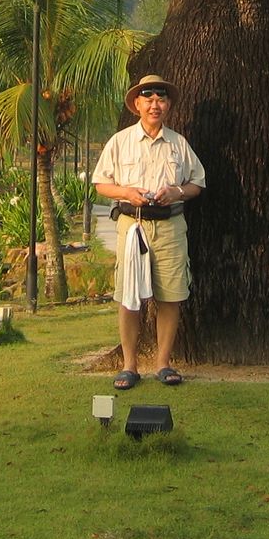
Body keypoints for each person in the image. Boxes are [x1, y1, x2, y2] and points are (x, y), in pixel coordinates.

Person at [91, 73, 205, 389]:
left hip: (170, 226)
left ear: (168, 105)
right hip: (132, 225)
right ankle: (129, 366)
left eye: (161, 98)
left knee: (171, 296)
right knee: (129, 296)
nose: (155, 104)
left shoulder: (179, 144)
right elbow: (101, 183)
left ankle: (163, 364)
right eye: (149, 98)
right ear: (137, 104)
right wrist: (127, 193)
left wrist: (177, 192)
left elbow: (198, 184)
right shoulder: (120, 142)